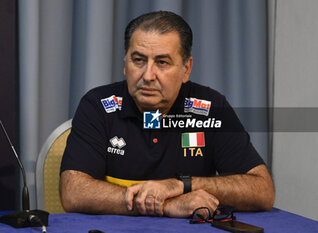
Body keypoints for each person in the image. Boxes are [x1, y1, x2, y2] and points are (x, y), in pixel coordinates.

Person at [60, 11, 274, 218]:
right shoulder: (98, 105)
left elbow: (262, 190)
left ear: (186, 69)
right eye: (138, 60)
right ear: (125, 64)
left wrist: (182, 185)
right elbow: (73, 192)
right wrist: (166, 205)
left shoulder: (210, 107)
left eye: (162, 62)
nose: (148, 75)